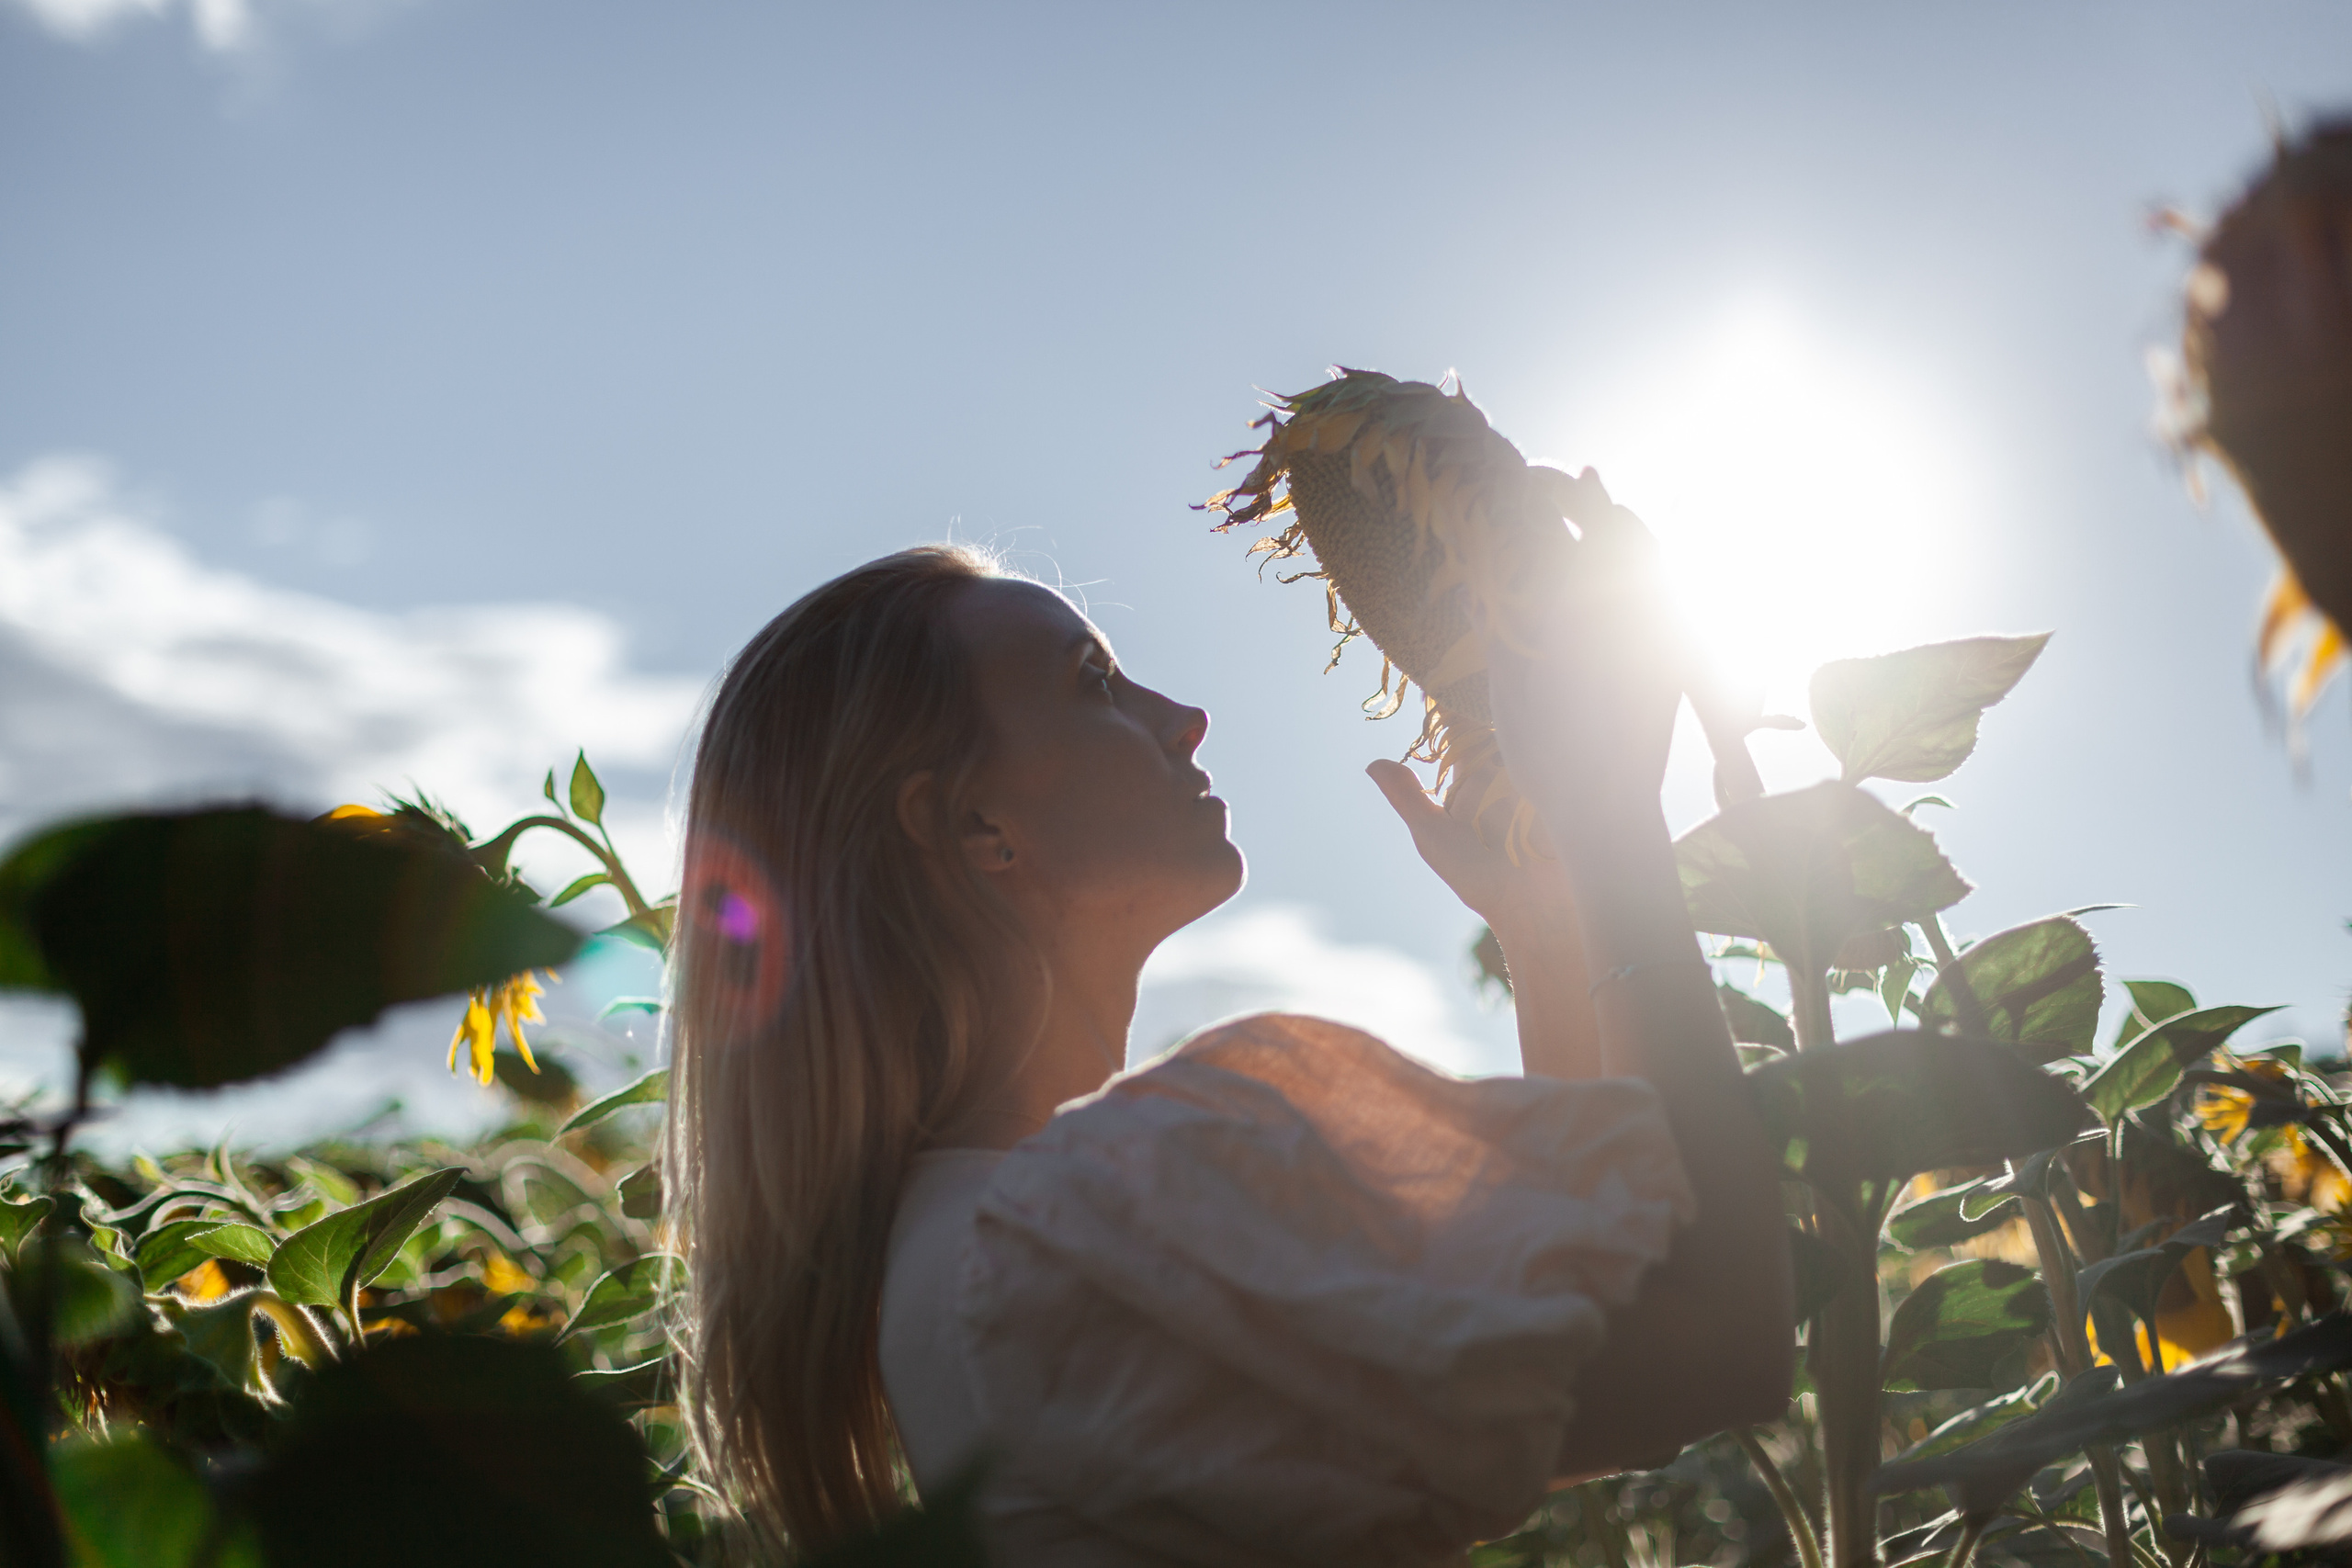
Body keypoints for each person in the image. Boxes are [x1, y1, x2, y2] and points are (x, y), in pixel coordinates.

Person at [662, 486, 1794, 1564]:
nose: (1186, 718)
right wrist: (1608, 816)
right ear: (973, 824)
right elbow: (1712, 1335)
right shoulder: (1095, 1218)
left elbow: (1565, 1352)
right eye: (1093, 681)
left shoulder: (981, 1250)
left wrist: (1545, 933)